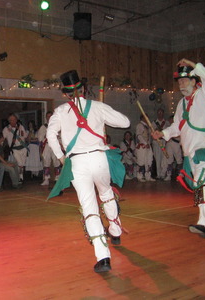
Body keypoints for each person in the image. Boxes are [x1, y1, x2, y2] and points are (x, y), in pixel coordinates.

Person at [47, 70, 130, 273]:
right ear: (83, 89)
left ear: (66, 94)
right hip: (98, 157)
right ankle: (115, 230)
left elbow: (50, 134)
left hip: (76, 162)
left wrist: (60, 157)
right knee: (106, 193)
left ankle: (103, 257)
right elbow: (125, 122)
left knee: (89, 206)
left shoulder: (59, 112)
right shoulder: (98, 107)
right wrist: (102, 116)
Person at [152, 58, 205, 237]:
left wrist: (192, 64)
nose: (181, 84)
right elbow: (176, 127)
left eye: (184, 80)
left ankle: (204, 223)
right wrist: (162, 134)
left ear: (194, 81)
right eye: (179, 81)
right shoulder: (181, 104)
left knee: (200, 183)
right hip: (189, 152)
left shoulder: (204, 94)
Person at [37, 111, 61, 186]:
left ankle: (57, 178)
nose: (49, 118)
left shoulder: (57, 126)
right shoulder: (43, 127)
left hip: (55, 145)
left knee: (57, 162)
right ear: (46, 117)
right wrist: (46, 136)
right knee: (46, 162)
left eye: (50, 116)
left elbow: (61, 136)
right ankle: (46, 178)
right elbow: (40, 138)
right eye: (48, 116)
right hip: (47, 145)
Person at [2, 113, 28, 182]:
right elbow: (3, 139)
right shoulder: (6, 129)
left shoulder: (21, 126)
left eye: (14, 120)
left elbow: (25, 136)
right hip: (14, 148)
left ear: (16, 120)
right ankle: (20, 177)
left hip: (23, 147)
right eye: (11, 120)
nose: (13, 121)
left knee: (22, 163)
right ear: (9, 121)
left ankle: (21, 176)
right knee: (19, 163)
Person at [135, 115, 155, 182]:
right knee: (141, 161)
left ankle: (148, 176)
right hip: (142, 146)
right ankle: (140, 176)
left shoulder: (147, 126)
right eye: (146, 117)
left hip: (148, 146)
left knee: (149, 160)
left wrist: (149, 144)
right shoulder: (139, 125)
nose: (147, 119)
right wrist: (145, 143)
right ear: (142, 118)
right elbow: (139, 135)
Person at [152, 108, 170, 180]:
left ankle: (163, 174)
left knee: (164, 158)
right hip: (156, 142)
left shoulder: (167, 123)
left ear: (163, 113)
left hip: (164, 142)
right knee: (158, 158)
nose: (160, 114)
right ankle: (158, 174)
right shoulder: (153, 123)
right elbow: (152, 132)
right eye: (158, 112)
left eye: (161, 112)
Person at [165, 114, 183, 179]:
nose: (170, 121)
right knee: (169, 159)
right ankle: (168, 175)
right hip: (169, 144)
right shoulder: (168, 127)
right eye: (170, 120)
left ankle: (180, 174)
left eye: (172, 119)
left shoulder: (178, 127)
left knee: (179, 159)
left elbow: (180, 135)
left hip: (176, 143)